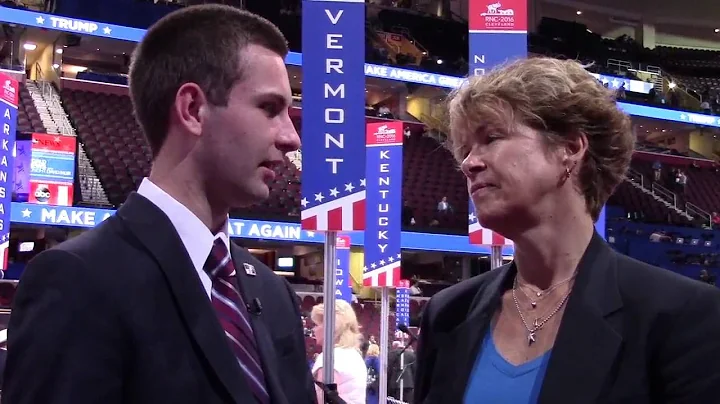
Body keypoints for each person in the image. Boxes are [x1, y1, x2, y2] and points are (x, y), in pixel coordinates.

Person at [3, 5, 315, 404]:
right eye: (269, 108)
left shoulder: (273, 294)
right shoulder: (78, 281)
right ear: (192, 109)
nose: (292, 138)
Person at [413, 57, 720, 404]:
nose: (469, 163)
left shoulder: (681, 315)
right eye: (465, 149)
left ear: (570, 149)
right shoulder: (449, 313)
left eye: (492, 137)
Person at [311, 300, 367, 404]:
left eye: (317, 324)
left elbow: (319, 400)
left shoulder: (329, 358)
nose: (314, 329)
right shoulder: (354, 355)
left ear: (330, 327)